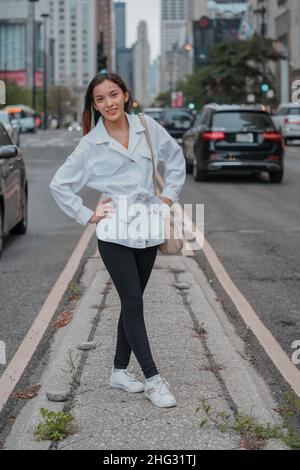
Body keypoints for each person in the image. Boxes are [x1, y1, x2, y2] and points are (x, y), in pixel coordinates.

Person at [49, 72, 186, 408]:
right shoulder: (90, 144)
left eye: (113, 95)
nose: (108, 103)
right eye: (100, 99)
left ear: (126, 95)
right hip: (114, 231)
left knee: (132, 300)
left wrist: (167, 197)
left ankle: (119, 371)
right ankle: (153, 378)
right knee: (134, 302)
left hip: (149, 226)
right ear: (93, 105)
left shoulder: (147, 127)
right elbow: (59, 185)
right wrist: (87, 215)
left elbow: (177, 159)